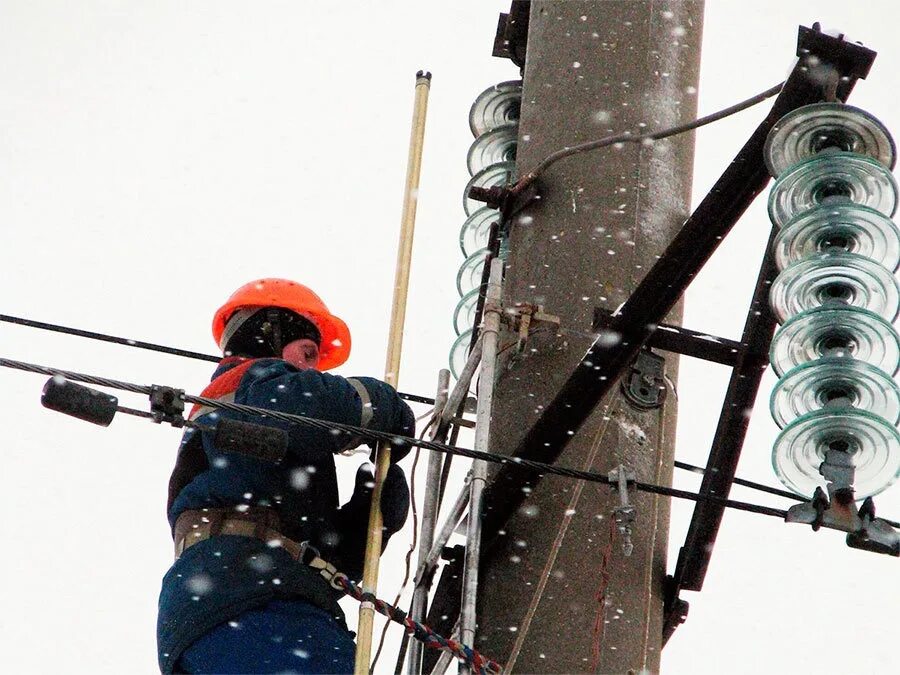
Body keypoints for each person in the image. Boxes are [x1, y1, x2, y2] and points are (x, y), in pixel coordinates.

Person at [157, 278, 415, 674]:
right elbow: (312, 402)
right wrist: (380, 406)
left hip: (243, 606)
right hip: (253, 603)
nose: (312, 369)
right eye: (307, 353)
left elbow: (323, 563)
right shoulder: (250, 382)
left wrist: (368, 524)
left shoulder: (252, 452)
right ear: (267, 335)